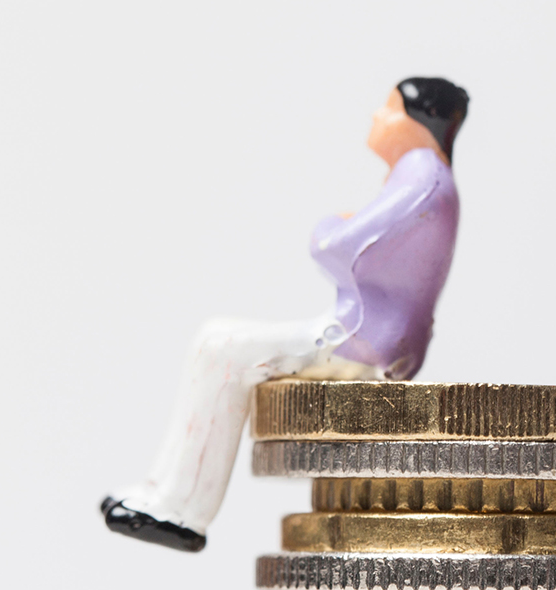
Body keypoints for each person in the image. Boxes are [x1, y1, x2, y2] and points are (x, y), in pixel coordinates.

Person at [101, 77, 469, 552]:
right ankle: (161, 491)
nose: (378, 116)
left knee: (222, 349)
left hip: (359, 339)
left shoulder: (424, 178)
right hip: (367, 333)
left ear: (421, 124)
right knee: (217, 338)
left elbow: (339, 247)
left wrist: (332, 224)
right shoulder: (422, 177)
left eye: (389, 108)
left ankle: (181, 509)